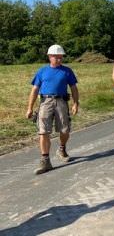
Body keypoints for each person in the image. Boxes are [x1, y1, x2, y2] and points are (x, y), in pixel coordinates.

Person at [26, 44, 79, 175]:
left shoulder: (67, 71)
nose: (59, 59)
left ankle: (61, 149)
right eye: (56, 57)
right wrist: (30, 108)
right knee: (43, 131)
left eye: (61, 57)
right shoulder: (42, 71)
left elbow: (73, 88)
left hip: (61, 101)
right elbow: (34, 90)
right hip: (45, 102)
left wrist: (75, 103)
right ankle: (45, 161)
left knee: (64, 130)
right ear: (50, 57)